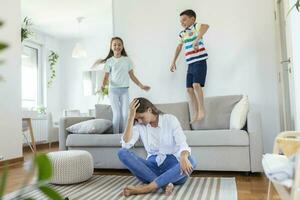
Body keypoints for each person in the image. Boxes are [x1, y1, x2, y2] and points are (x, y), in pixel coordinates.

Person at [118, 97, 196, 197]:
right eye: (137, 119)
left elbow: (182, 143)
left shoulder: (170, 119)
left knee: (192, 160)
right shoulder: (139, 126)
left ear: (149, 110)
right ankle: (164, 184)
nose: (140, 121)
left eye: (141, 117)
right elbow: (125, 144)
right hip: (151, 168)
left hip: (173, 169)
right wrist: (130, 118)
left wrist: (184, 157)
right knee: (122, 153)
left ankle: (146, 188)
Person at [95, 37, 151, 134]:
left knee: (125, 115)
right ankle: (116, 136)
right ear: (111, 47)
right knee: (117, 115)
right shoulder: (109, 61)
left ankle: (125, 135)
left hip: (124, 91)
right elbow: (106, 76)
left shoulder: (127, 60)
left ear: (122, 46)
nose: (117, 46)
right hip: (113, 91)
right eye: (115, 44)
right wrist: (103, 86)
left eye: (119, 44)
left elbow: (132, 76)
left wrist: (141, 86)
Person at [170, 9, 209, 123]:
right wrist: (173, 61)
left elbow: (206, 26)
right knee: (189, 89)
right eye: (181, 21)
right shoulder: (182, 33)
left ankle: (202, 110)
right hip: (190, 64)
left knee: (196, 85)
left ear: (193, 19)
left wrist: (197, 39)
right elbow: (179, 47)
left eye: (184, 20)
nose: (182, 23)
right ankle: (196, 112)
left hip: (200, 61)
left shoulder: (196, 27)